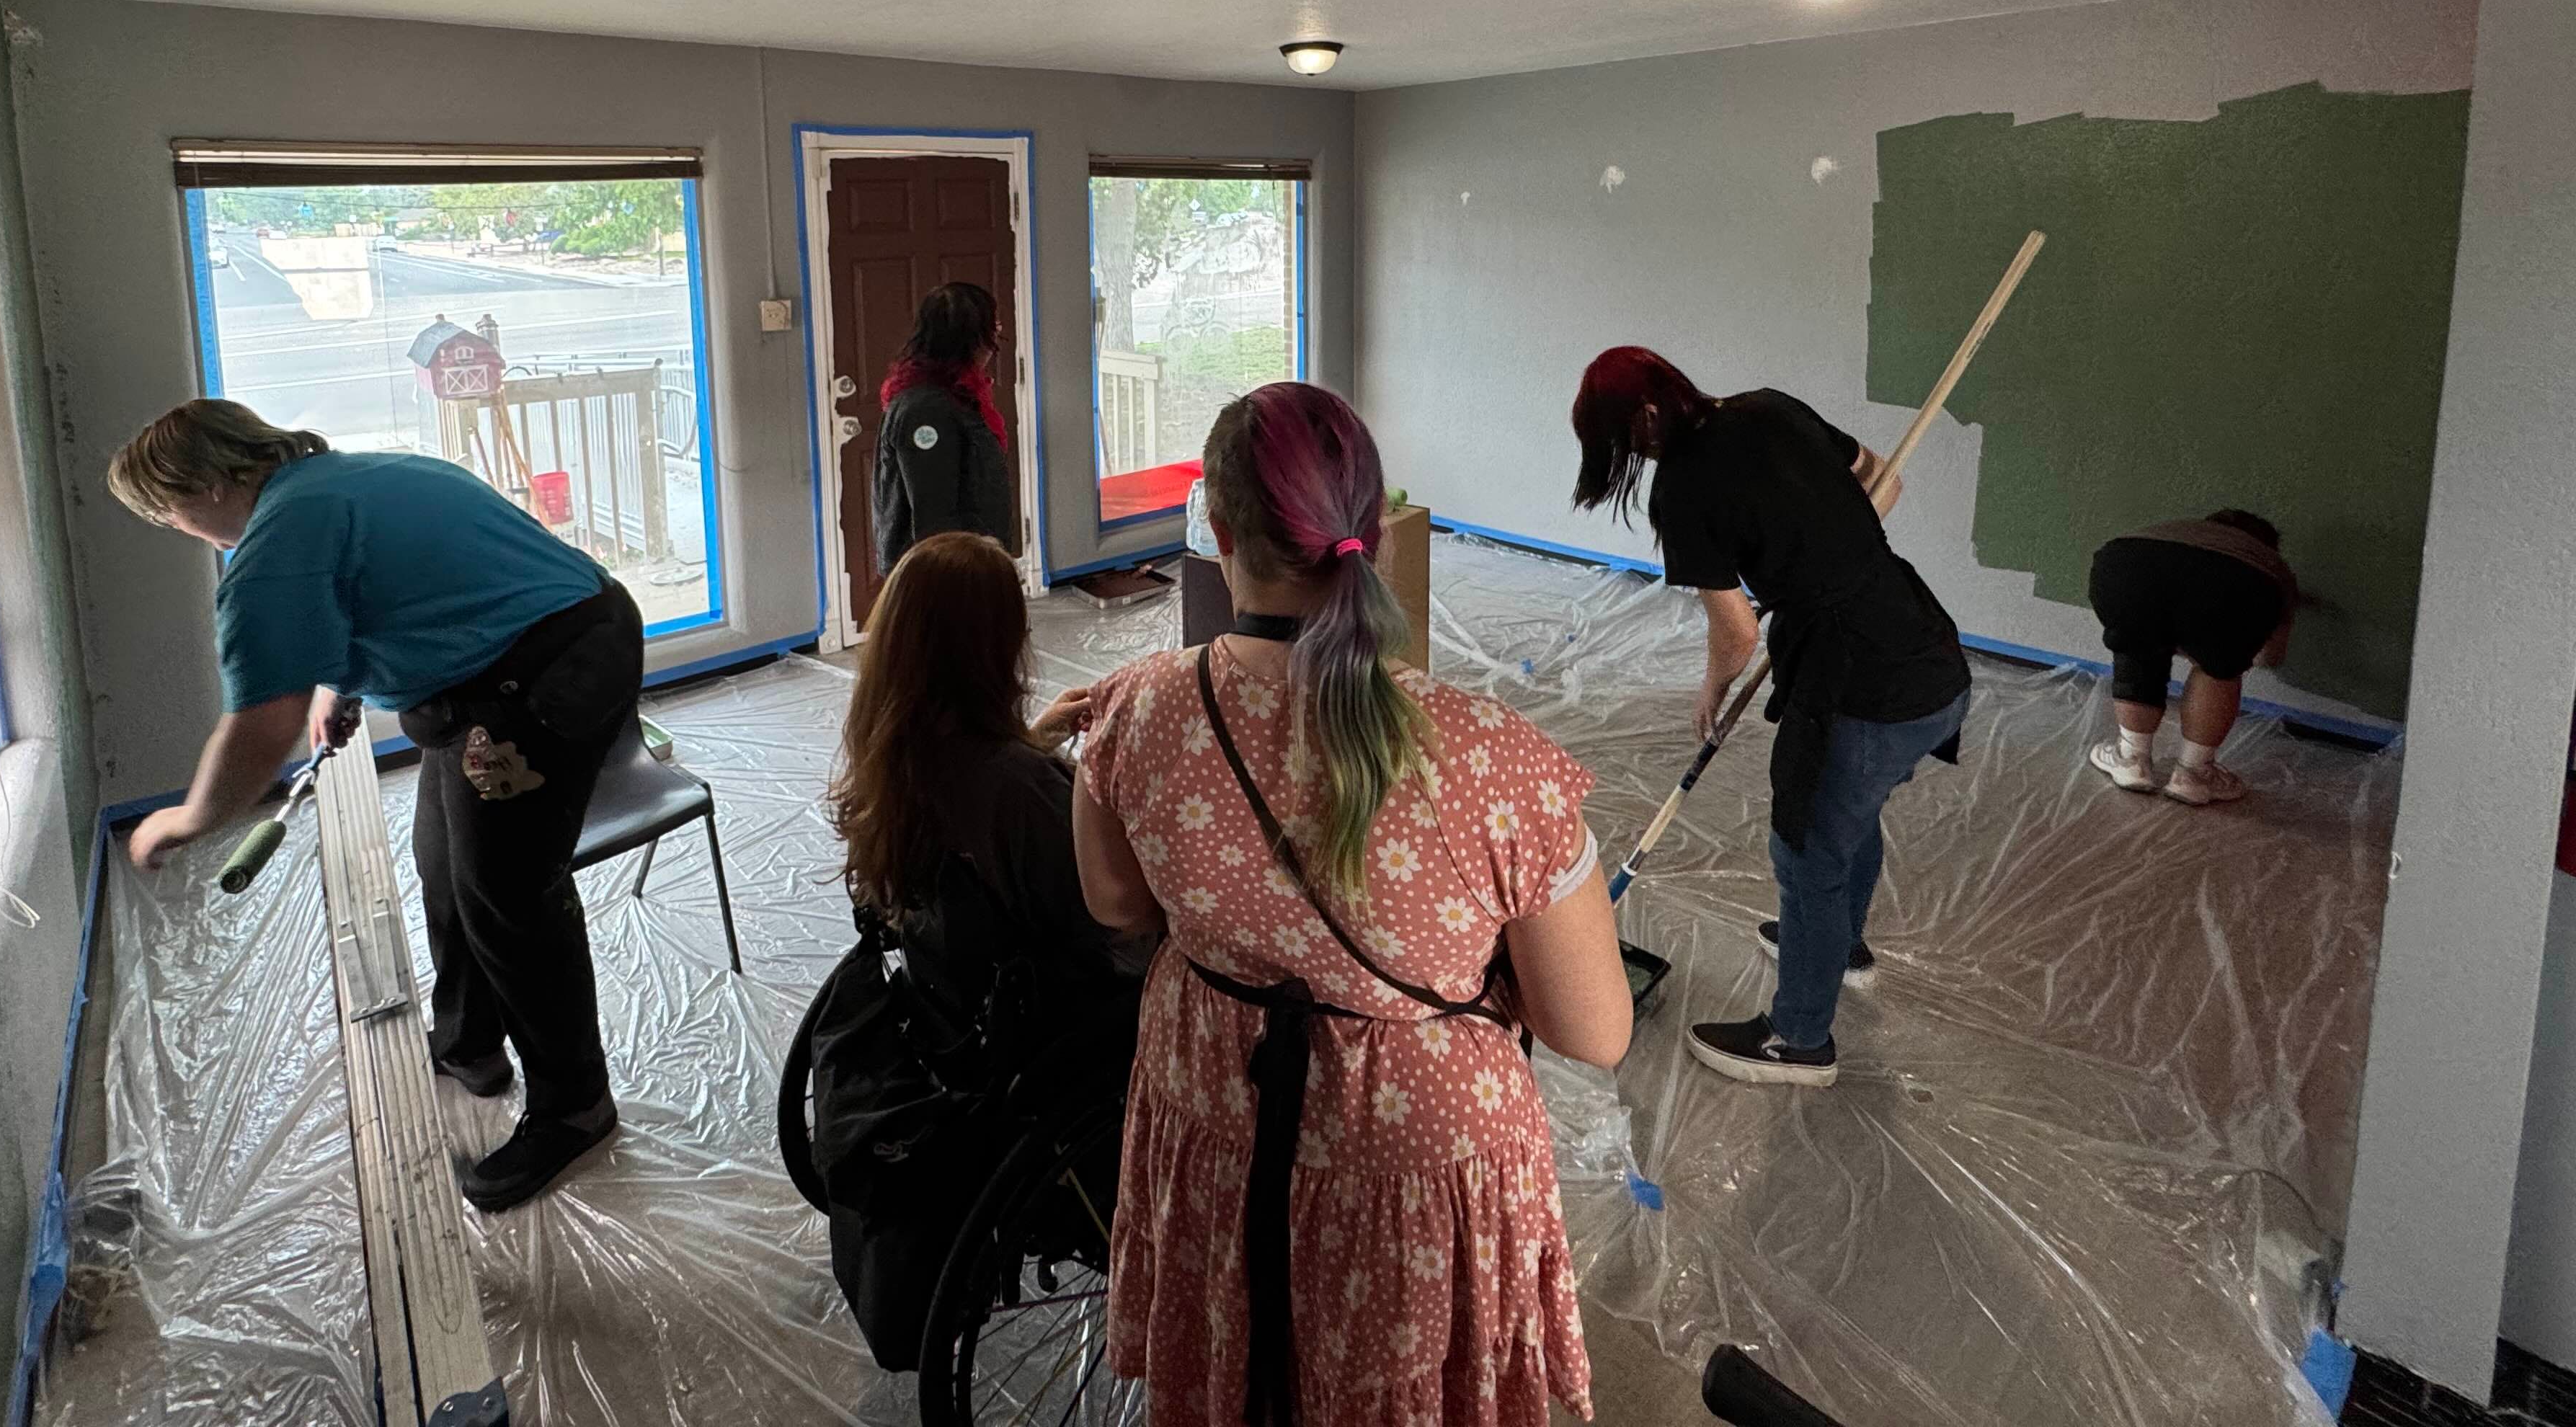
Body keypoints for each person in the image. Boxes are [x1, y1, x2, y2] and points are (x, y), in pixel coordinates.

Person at [1070, 381, 1629, 1427]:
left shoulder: (1137, 707)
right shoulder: (1497, 760)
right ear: (1370, 530)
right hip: (1412, 1164)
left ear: (1220, 533)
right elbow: (1594, 1032)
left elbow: (1114, 904)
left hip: (1215, 1110)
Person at [107, 399, 640, 1212]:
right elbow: (406, 590)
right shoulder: (353, 476)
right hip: (553, 647)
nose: (177, 527)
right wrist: (343, 683)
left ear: (209, 484)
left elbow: (262, 726)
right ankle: (472, 1046)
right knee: (446, 866)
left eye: (167, 511)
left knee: (507, 896)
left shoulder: (277, 541)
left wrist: (185, 820)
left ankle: (576, 1108)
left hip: (537, 681)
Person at [1571, 347, 1969, 1091]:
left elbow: (1737, 633)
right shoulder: (1768, 405)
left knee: (1807, 851)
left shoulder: (1684, 489)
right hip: (1927, 652)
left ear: (1648, 414)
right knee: (1854, 810)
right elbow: (1886, 478)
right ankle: (1837, 947)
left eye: (1625, 438)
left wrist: (1710, 692)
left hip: (1860, 684)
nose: (1631, 454)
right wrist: (1826, 563)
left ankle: (1799, 1040)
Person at [816, 530, 1148, 1362]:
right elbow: (1111, 924)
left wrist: (1034, 745)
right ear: (998, 645)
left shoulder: (892, 755)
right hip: (1062, 1027)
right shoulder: (1019, 791)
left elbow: (986, 805)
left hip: (950, 1009)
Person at [2084, 510, 2296, 805]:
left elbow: (2178, 583)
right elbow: (2271, 658)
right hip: (2242, 584)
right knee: (2219, 670)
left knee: (2139, 649)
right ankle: (2194, 776)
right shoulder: (2271, 566)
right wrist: (2216, 651)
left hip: (2126, 562)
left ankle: (2131, 759)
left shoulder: (2177, 529)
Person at [871, 280, 1015, 577]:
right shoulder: (926, 410)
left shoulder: (957, 395)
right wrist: (948, 589)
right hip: (946, 574)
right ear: (973, 339)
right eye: (993, 329)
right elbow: (933, 515)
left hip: (972, 560)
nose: (995, 340)